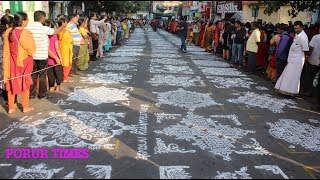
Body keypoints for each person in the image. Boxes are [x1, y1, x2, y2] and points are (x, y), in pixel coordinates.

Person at [25, 10, 67, 99]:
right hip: (42, 55)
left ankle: (31, 94)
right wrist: (62, 26)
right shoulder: (43, 28)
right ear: (42, 18)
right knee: (42, 75)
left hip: (32, 55)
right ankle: (42, 94)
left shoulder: (28, 27)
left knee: (33, 74)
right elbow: (56, 32)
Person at [3, 12, 36, 114]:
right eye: (27, 19)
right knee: (25, 83)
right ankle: (25, 107)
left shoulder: (9, 31)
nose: (28, 21)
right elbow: (32, 50)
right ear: (23, 21)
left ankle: (11, 108)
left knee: (12, 82)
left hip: (11, 61)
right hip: (24, 61)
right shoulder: (26, 33)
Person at [275, 21, 309, 97]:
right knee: (287, 74)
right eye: (295, 28)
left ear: (302, 27)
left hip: (297, 60)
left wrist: (306, 58)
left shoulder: (303, 37)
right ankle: (284, 89)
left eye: (298, 28)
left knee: (293, 76)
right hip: (292, 59)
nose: (296, 30)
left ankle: (291, 92)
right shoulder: (297, 35)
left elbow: (306, 50)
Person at [44, 19, 63, 92]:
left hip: (52, 58)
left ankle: (56, 85)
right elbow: (57, 48)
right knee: (54, 73)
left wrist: (60, 58)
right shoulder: (50, 36)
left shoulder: (53, 36)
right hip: (51, 58)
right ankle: (54, 85)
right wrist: (60, 58)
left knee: (53, 73)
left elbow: (57, 48)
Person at [301, 28, 320, 96]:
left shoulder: (316, 37)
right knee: (317, 78)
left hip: (313, 61)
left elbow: (311, 48)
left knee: (309, 76)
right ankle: (313, 92)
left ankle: (307, 91)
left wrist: (307, 56)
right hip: (317, 62)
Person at [0, 15, 13, 106]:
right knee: (7, 80)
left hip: (1, 60)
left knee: (2, 80)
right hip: (5, 60)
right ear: (8, 25)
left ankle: (5, 100)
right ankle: (10, 101)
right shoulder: (8, 34)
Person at [57, 17, 73, 82]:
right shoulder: (62, 31)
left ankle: (64, 76)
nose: (67, 23)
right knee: (66, 63)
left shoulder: (61, 30)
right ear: (63, 23)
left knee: (66, 62)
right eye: (66, 22)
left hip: (64, 48)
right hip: (64, 48)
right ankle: (65, 77)